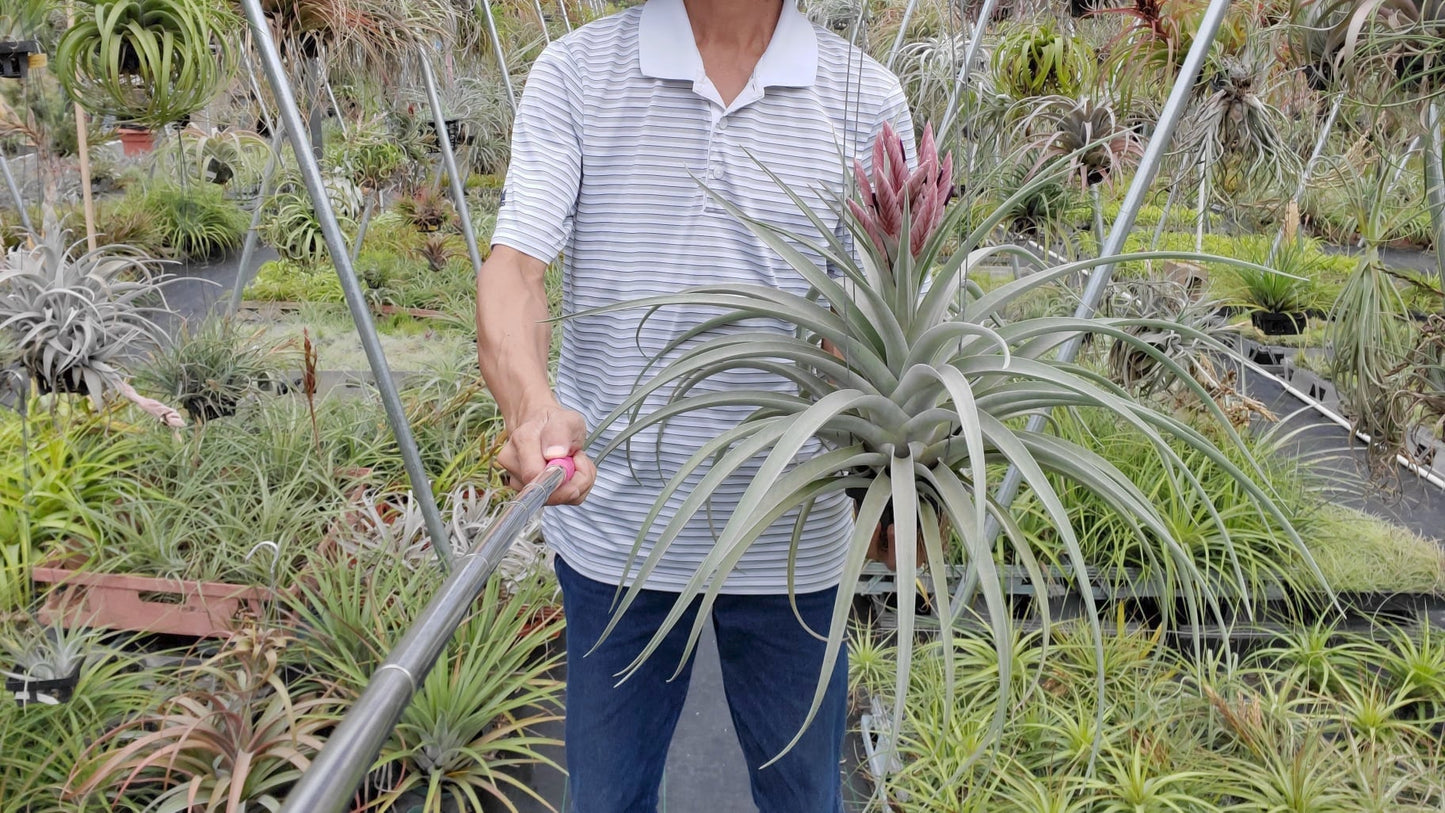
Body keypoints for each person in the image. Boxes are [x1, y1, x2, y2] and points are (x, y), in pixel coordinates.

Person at [476, 1, 914, 810]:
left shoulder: (864, 90)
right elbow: (516, 268)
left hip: (792, 541)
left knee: (803, 796)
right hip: (618, 530)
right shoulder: (577, 71)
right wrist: (531, 404)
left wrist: (896, 485)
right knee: (606, 798)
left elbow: (870, 324)